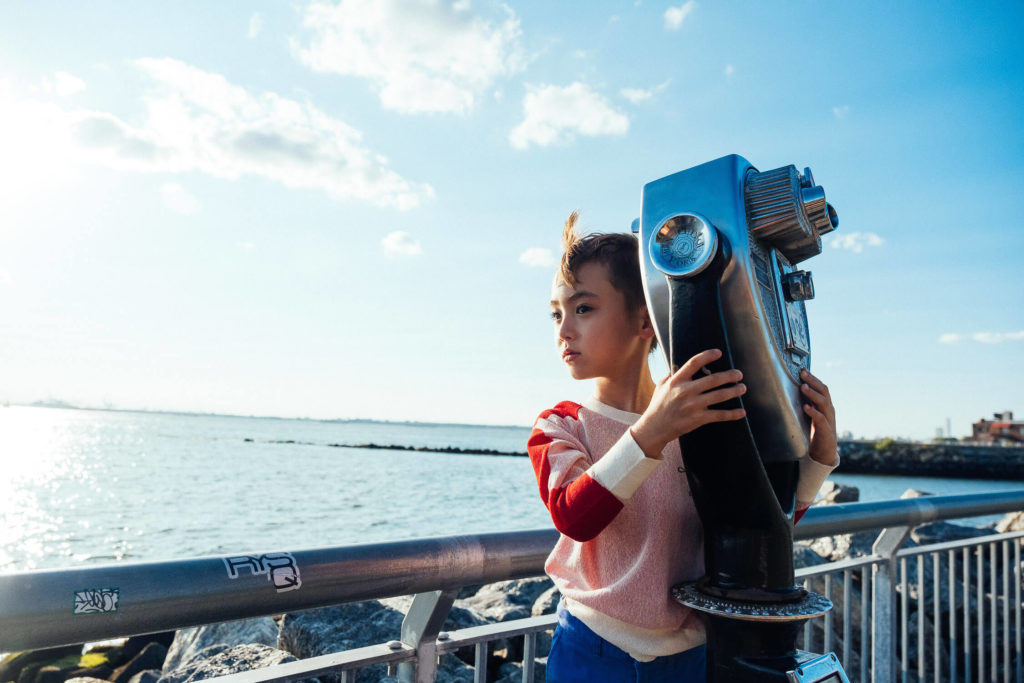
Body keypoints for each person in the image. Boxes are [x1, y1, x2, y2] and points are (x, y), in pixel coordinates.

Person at [529, 212, 839, 682]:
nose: (563, 330)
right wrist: (653, 431)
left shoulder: (700, 415)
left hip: (691, 657)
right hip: (591, 650)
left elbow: (757, 527)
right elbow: (575, 517)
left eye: (583, 308)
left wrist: (819, 457)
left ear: (645, 320)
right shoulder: (560, 425)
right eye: (557, 313)